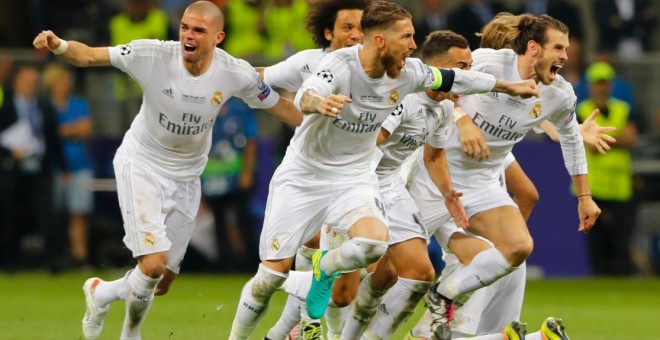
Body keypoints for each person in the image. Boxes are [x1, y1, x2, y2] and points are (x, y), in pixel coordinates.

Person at [228, 1, 539, 338]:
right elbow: (308, 91)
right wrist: (319, 103)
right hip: (305, 177)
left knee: (375, 246)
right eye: (406, 36)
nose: (412, 45)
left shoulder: (410, 75)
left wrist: (510, 87)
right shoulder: (340, 64)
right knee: (270, 279)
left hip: (355, 180)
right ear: (379, 41)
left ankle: (322, 273)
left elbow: (457, 79)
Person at [32, 1, 303, 339]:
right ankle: (130, 333)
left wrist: (330, 125)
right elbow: (88, 56)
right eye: (185, 27)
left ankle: (101, 292)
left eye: (199, 30)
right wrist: (58, 45)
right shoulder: (153, 56)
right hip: (142, 164)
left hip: (187, 178)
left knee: (160, 282)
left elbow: (281, 107)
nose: (188, 35)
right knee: (153, 263)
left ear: (218, 37)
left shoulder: (234, 72)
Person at [407, 13, 601, 339]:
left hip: (481, 182)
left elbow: (567, 139)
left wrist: (584, 196)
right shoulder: (488, 63)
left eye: (566, 48)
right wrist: (461, 119)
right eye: (558, 47)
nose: (566, 56)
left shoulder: (560, 94)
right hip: (433, 173)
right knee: (392, 275)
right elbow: (439, 83)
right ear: (535, 48)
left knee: (517, 247)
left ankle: (446, 301)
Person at [257, 0, 372, 338]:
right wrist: (283, 109)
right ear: (328, 32)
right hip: (313, 171)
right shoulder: (309, 62)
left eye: (361, 28)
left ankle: (295, 327)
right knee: (312, 240)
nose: (355, 35)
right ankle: (304, 326)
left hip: (361, 176)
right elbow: (261, 78)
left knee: (349, 290)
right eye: (347, 27)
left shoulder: (381, 68)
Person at [579, 61, 638, 276]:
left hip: (620, 184)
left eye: (605, 82)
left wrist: (603, 138)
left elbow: (631, 139)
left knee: (621, 236)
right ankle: (600, 276)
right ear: (591, 85)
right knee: (597, 240)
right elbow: (592, 146)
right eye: (598, 83)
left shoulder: (623, 108)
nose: (601, 87)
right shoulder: (582, 109)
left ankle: (622, 275)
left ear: (610, 84)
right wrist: (618, 138)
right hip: (592, 186)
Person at [42, 62, 94, 269]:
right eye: (60, 82)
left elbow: (85, 130)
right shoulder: (45, 105)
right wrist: (70, 130)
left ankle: (79, 257)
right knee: (54, 214)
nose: (65, 85)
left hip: (79, 166)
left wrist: (62, 131)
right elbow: (47, 134)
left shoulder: (78, 103)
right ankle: (55, 255)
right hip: (54, 167)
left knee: (79, 213)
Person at [201, 97, 260, 272]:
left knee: (243, 221)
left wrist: (247, 172)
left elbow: (251, 140)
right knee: (218, 223)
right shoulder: (202, 109)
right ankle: (224, 266)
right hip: (211, 179)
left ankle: (251, 265)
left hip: (237, 176)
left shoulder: (240, 109)